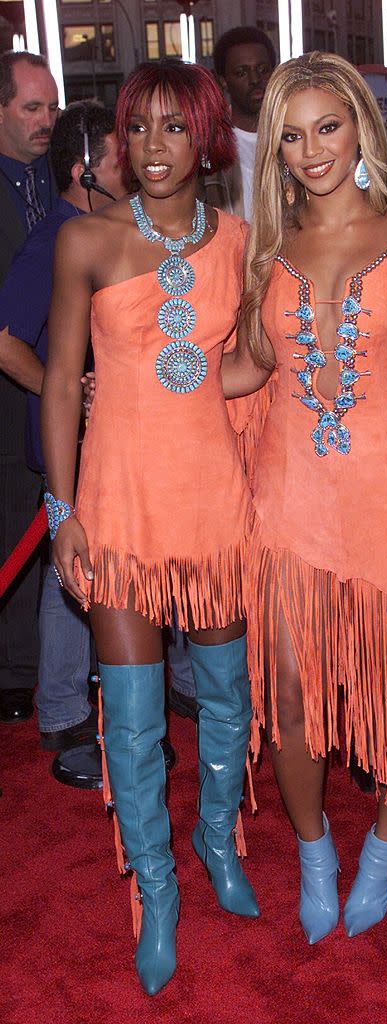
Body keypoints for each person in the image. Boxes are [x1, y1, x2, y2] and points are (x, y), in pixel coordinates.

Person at [41, 59, 259, 996]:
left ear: (206, 138)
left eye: (175, 128)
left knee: (226, 696)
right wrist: (63, 509)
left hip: (210, 494)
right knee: (130, 723)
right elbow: (59, 380)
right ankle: (157, 889)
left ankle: (218, 841)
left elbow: (243, 367)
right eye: (139, 129)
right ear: (118, 142)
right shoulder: (85, 240)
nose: (155, 147)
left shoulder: (246, 240)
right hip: (119, 502)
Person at [221, 51, 387, 945]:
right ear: (272, 149)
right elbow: (247, 366)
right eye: (292, 134)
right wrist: (143, 382)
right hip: (290, 498)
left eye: (328, 126)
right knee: (293, 691)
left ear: (360, 128)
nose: (312, 150)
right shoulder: (261, 250)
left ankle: (385, 847)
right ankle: (315, 851)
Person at [0, 101, 127, 788]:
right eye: (120, 156)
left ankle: (68, 700)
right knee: (67, 565)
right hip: (72, 441)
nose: (136, 164)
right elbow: (3, 338)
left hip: (104, 436)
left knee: (80, 562)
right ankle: (60, 704)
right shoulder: (58, 237)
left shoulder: (101, 231)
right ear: (86, 170)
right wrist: (66, 393)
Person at [0, 51, 58, 726]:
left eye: (51, 108)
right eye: (31, 108)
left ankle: (38, 668)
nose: (46, 121)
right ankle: (15, 675)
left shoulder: (57, 177)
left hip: (50, 382)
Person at [204, 26, 277, 219]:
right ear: (223, 81)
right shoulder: (210, 148)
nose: (255, 79)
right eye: (241, 72)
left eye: (262, 69)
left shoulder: (294, 138)